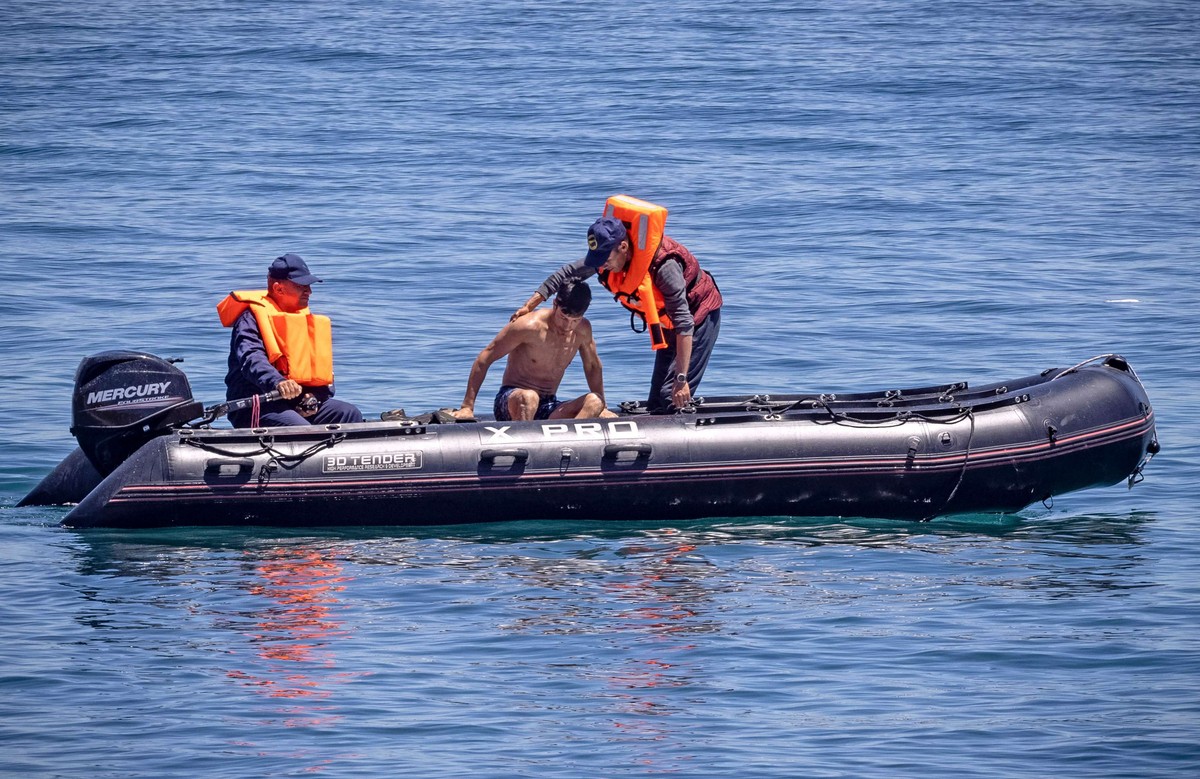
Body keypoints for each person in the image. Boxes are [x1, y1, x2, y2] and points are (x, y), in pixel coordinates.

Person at [511, 195, 722, 413]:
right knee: (657, 400)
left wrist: (681, 378)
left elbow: (684, 323)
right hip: (669, 324)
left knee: (672, 396)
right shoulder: (605, 257)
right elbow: (567, 273)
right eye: (597, 259)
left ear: (623, 247)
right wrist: (530, 304)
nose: (601, 265)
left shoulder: (664, 267)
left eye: (605, 259)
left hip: (697, 320)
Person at [217, 253, 364, 428]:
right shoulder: (250, 319)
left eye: (309, 286)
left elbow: (316, 367)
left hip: (296, 404)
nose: (309, 291)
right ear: (279, 289)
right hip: (256, 406)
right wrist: (277, 382)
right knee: (300, 429)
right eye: (302, 286)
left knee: (348, 413)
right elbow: (251, 358)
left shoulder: (302, 318)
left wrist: (315, 396)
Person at [452, 281, 612, 421]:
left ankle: (569, 448)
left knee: (595, 401)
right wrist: (468, 406)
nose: (567, 326)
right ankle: (525, 448)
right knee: (529, 398)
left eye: (575, 321)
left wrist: (602, 408)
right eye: (563, 318)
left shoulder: (583, 330)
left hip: (549, 405)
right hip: (513, 401)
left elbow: (592, 366)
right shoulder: (529, 326)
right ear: (555, 304)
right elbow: (485, 358)